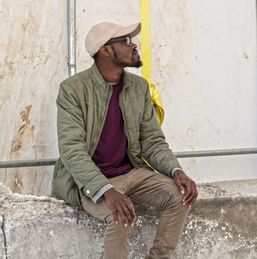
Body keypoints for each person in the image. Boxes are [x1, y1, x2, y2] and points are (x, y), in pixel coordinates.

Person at [52, 21, 198, 259]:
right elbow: (71, 150)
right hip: (92, 181)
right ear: (106, 50)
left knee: (179, 196)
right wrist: (106, 191)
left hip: (132, 173)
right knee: (121, 215)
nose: (134, 46)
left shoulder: (138, 87)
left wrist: (176, 171)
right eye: (125, 41)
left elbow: (152, 141)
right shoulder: (73, 90)